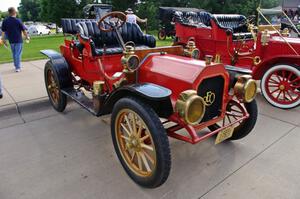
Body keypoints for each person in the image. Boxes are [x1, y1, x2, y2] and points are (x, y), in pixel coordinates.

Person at [0, 7, 29, 72]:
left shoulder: (5, 21)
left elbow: (3, 31)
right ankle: (17, 67)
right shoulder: (18, 20)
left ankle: (16, 66)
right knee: (18, 54)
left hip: (11, 40)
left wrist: (3, 40)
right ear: (14, 12)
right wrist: (27, 37)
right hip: (18, 40)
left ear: (9, 13)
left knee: (14, 53)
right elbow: (23, 30)